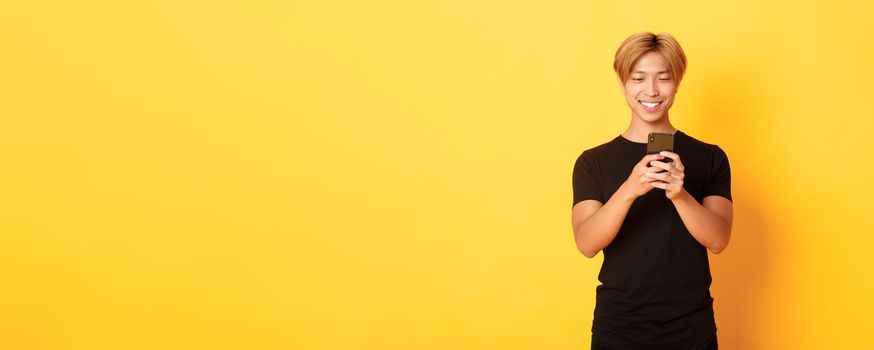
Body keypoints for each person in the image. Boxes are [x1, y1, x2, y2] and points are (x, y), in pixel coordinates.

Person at [571, 32, 733, 350]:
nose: (651, 91)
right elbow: (587, 243)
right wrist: (630, 189)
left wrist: (679, 195)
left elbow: (719, 240)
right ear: (622, 83)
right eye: (638, 78)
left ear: (677, 83)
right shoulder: (593, 162)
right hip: (618, 328)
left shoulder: (710, 156)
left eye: (663, 78)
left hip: (691, 328)